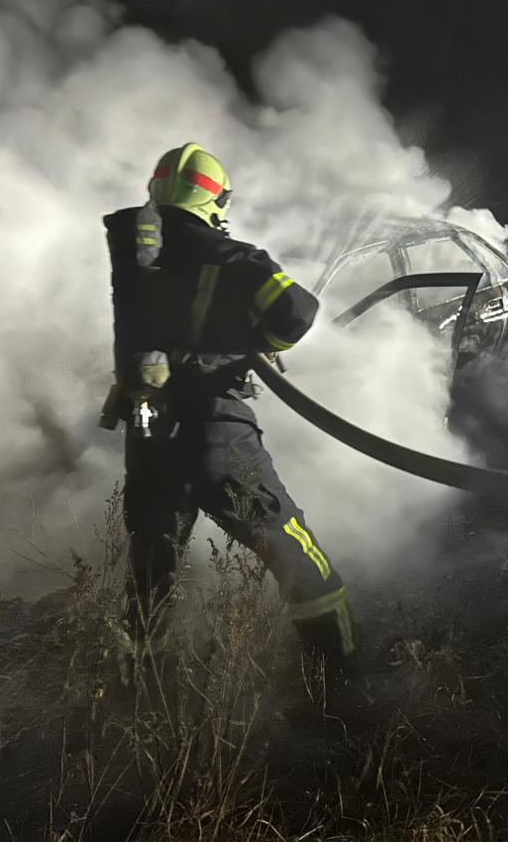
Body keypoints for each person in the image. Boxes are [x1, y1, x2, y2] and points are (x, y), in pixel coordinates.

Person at [102, 143, 356, 674]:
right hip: (214, 430)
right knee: (294, 552)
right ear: (215, 199)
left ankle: (145, 696)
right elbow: (296, 311)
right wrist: (258, 338)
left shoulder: (130, 252)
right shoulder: (234, 258)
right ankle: (340, 679)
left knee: (151, 568)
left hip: (147, 433)